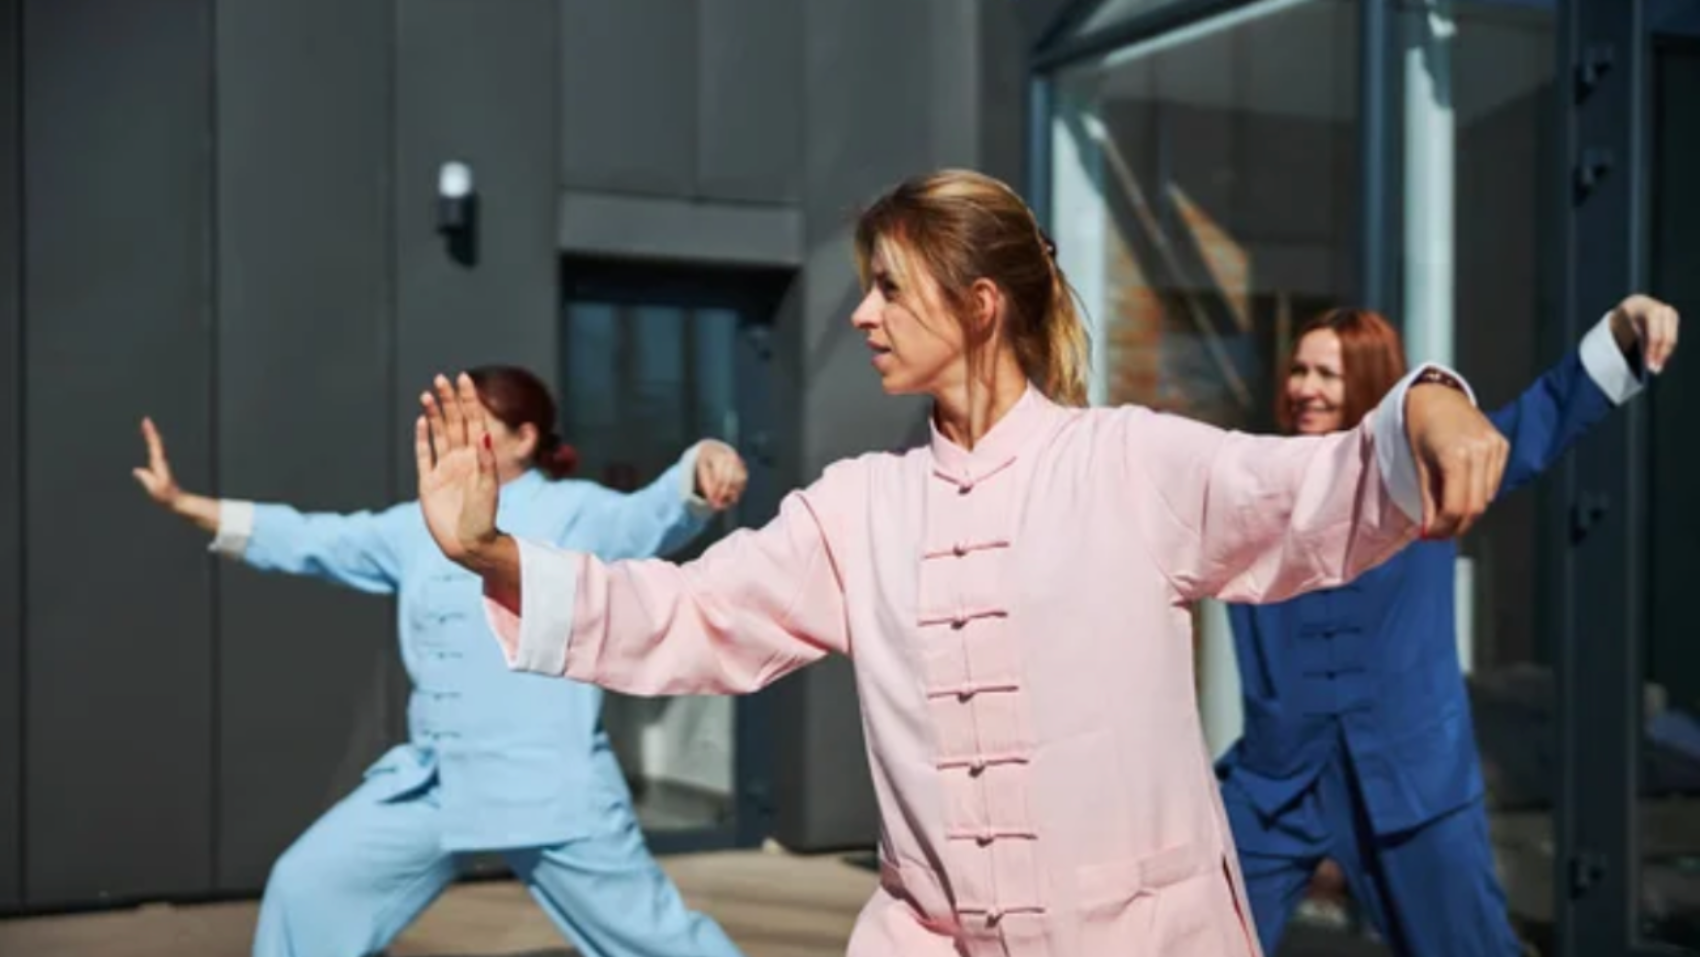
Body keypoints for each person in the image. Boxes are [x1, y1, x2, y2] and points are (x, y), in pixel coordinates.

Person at [414, 169, 1511, 956]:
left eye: (889, 287)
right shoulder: (860, 506)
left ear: (978, 305)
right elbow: (690, 612)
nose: (861, 314)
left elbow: (1309, 489)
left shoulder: (1128, 463)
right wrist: (491, 550)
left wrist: (1427, 401)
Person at [133, 365, 751, 957]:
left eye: (474, 423)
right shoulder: (417, 524)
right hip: (433, 784)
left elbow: (648, 516)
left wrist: (700, 465)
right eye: (449, 424)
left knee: (656, 940)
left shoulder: (577, 512)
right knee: (308, 887)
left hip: (550, 789)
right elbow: (315, 538)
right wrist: (186, 503)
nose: (457, 438)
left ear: (525, 438)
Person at [1217, 298, 1681, 956]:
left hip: (1413, 780)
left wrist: (1622, 334)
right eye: (1298, 370)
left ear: (1373, 383)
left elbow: (1541, 418)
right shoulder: (1246, 488)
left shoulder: (1427, 474)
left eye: (1328, 373)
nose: (1305, 388)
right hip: (1274, 783)